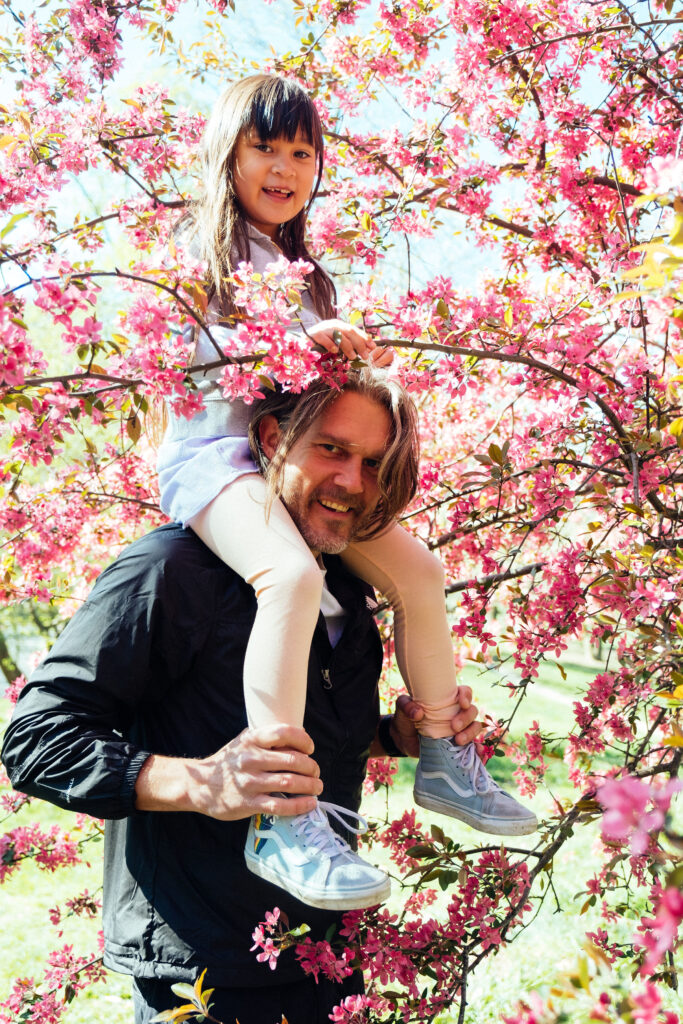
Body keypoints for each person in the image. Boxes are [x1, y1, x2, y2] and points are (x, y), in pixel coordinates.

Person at [156, 73, 537, 908]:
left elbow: (310, 392)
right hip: (218, 458)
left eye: (302, 153)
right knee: (288, 577)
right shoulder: (193, 258)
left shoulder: (307, 272)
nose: (284, 169)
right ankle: (283, 813)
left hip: (286, 460)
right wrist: (296, 350)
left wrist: (348, 366)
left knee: (420, 572)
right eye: (266, 148)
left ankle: (442, 754)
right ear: (230, 152)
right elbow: (192, 373)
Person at [2, 369, 483, 1024]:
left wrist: (392, 737)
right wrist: (200, 782)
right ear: (267, 439)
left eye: (373, 463)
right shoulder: (170, 571)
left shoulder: (344, 581)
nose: (352, 482)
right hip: (206, 968)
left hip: (326, 954)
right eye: (332, 450)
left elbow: (299, 733)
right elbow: (36, 738)